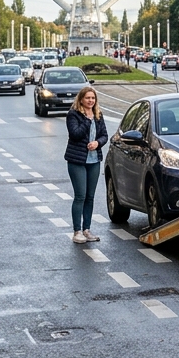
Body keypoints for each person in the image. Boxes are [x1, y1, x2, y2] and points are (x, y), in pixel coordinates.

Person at [64, 86, 108, 244]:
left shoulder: (98, 114)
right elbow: (75, 134)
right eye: (88, 98)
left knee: (90, 197)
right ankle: (77, 232)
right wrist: (87, 121)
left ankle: (86, 229)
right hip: (77, 161)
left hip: (94, 160)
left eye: (93, 98)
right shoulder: (73, 115)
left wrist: (98, 142)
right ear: (81, 99)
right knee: (80, 196)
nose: (91, 101)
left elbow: (104, 135)